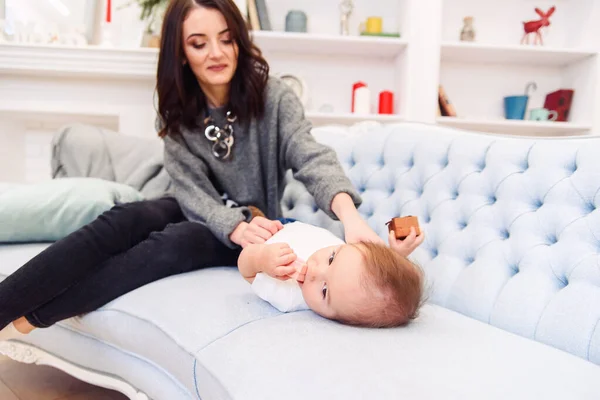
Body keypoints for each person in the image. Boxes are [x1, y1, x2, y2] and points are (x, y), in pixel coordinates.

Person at [0, 0, 423, 340]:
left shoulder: (273, 98)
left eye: (225, 39)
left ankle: (38, 315)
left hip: (255, 225)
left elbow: (310, 154)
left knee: (173, 243)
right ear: (181, 53)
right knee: (128, 217)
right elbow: (190, 192)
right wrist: (227, 223)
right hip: (199, 208)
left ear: (239, 41)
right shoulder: (179, 113)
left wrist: (348, 217)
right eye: (199, 43)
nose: (216, 53)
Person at [238, 221, 425, 327]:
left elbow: (245, 268)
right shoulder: (351, 264)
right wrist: (397, 255)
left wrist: (260, 257)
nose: (315, 271)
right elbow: (374, 277)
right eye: (331, 258)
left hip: (256, 236)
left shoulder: (288, 294)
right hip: (288, 222)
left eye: (325, 291)